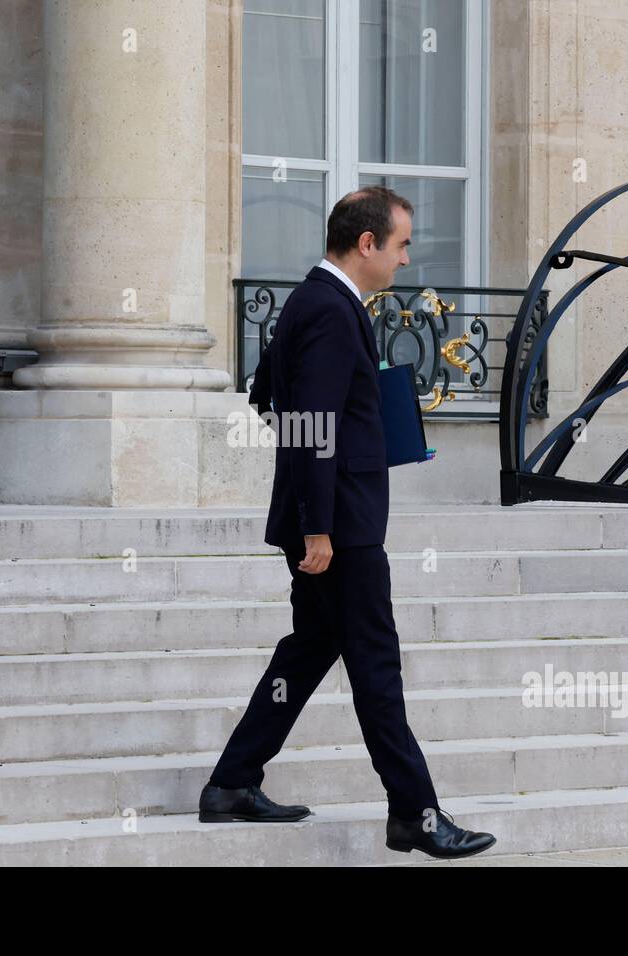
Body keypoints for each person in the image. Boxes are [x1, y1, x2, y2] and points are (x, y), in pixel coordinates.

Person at [200, 187, 496, 859]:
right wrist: (317, 528)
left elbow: (269, 395)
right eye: (401, 245)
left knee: (311, 648)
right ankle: (416, 815)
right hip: (340, 529)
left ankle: (231, 782)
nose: (405, 259)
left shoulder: (315, 301)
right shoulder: (331, 311)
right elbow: (308, 423)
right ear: (367, 244)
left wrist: (370, 418)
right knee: (376, 666)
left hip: (333, 518)